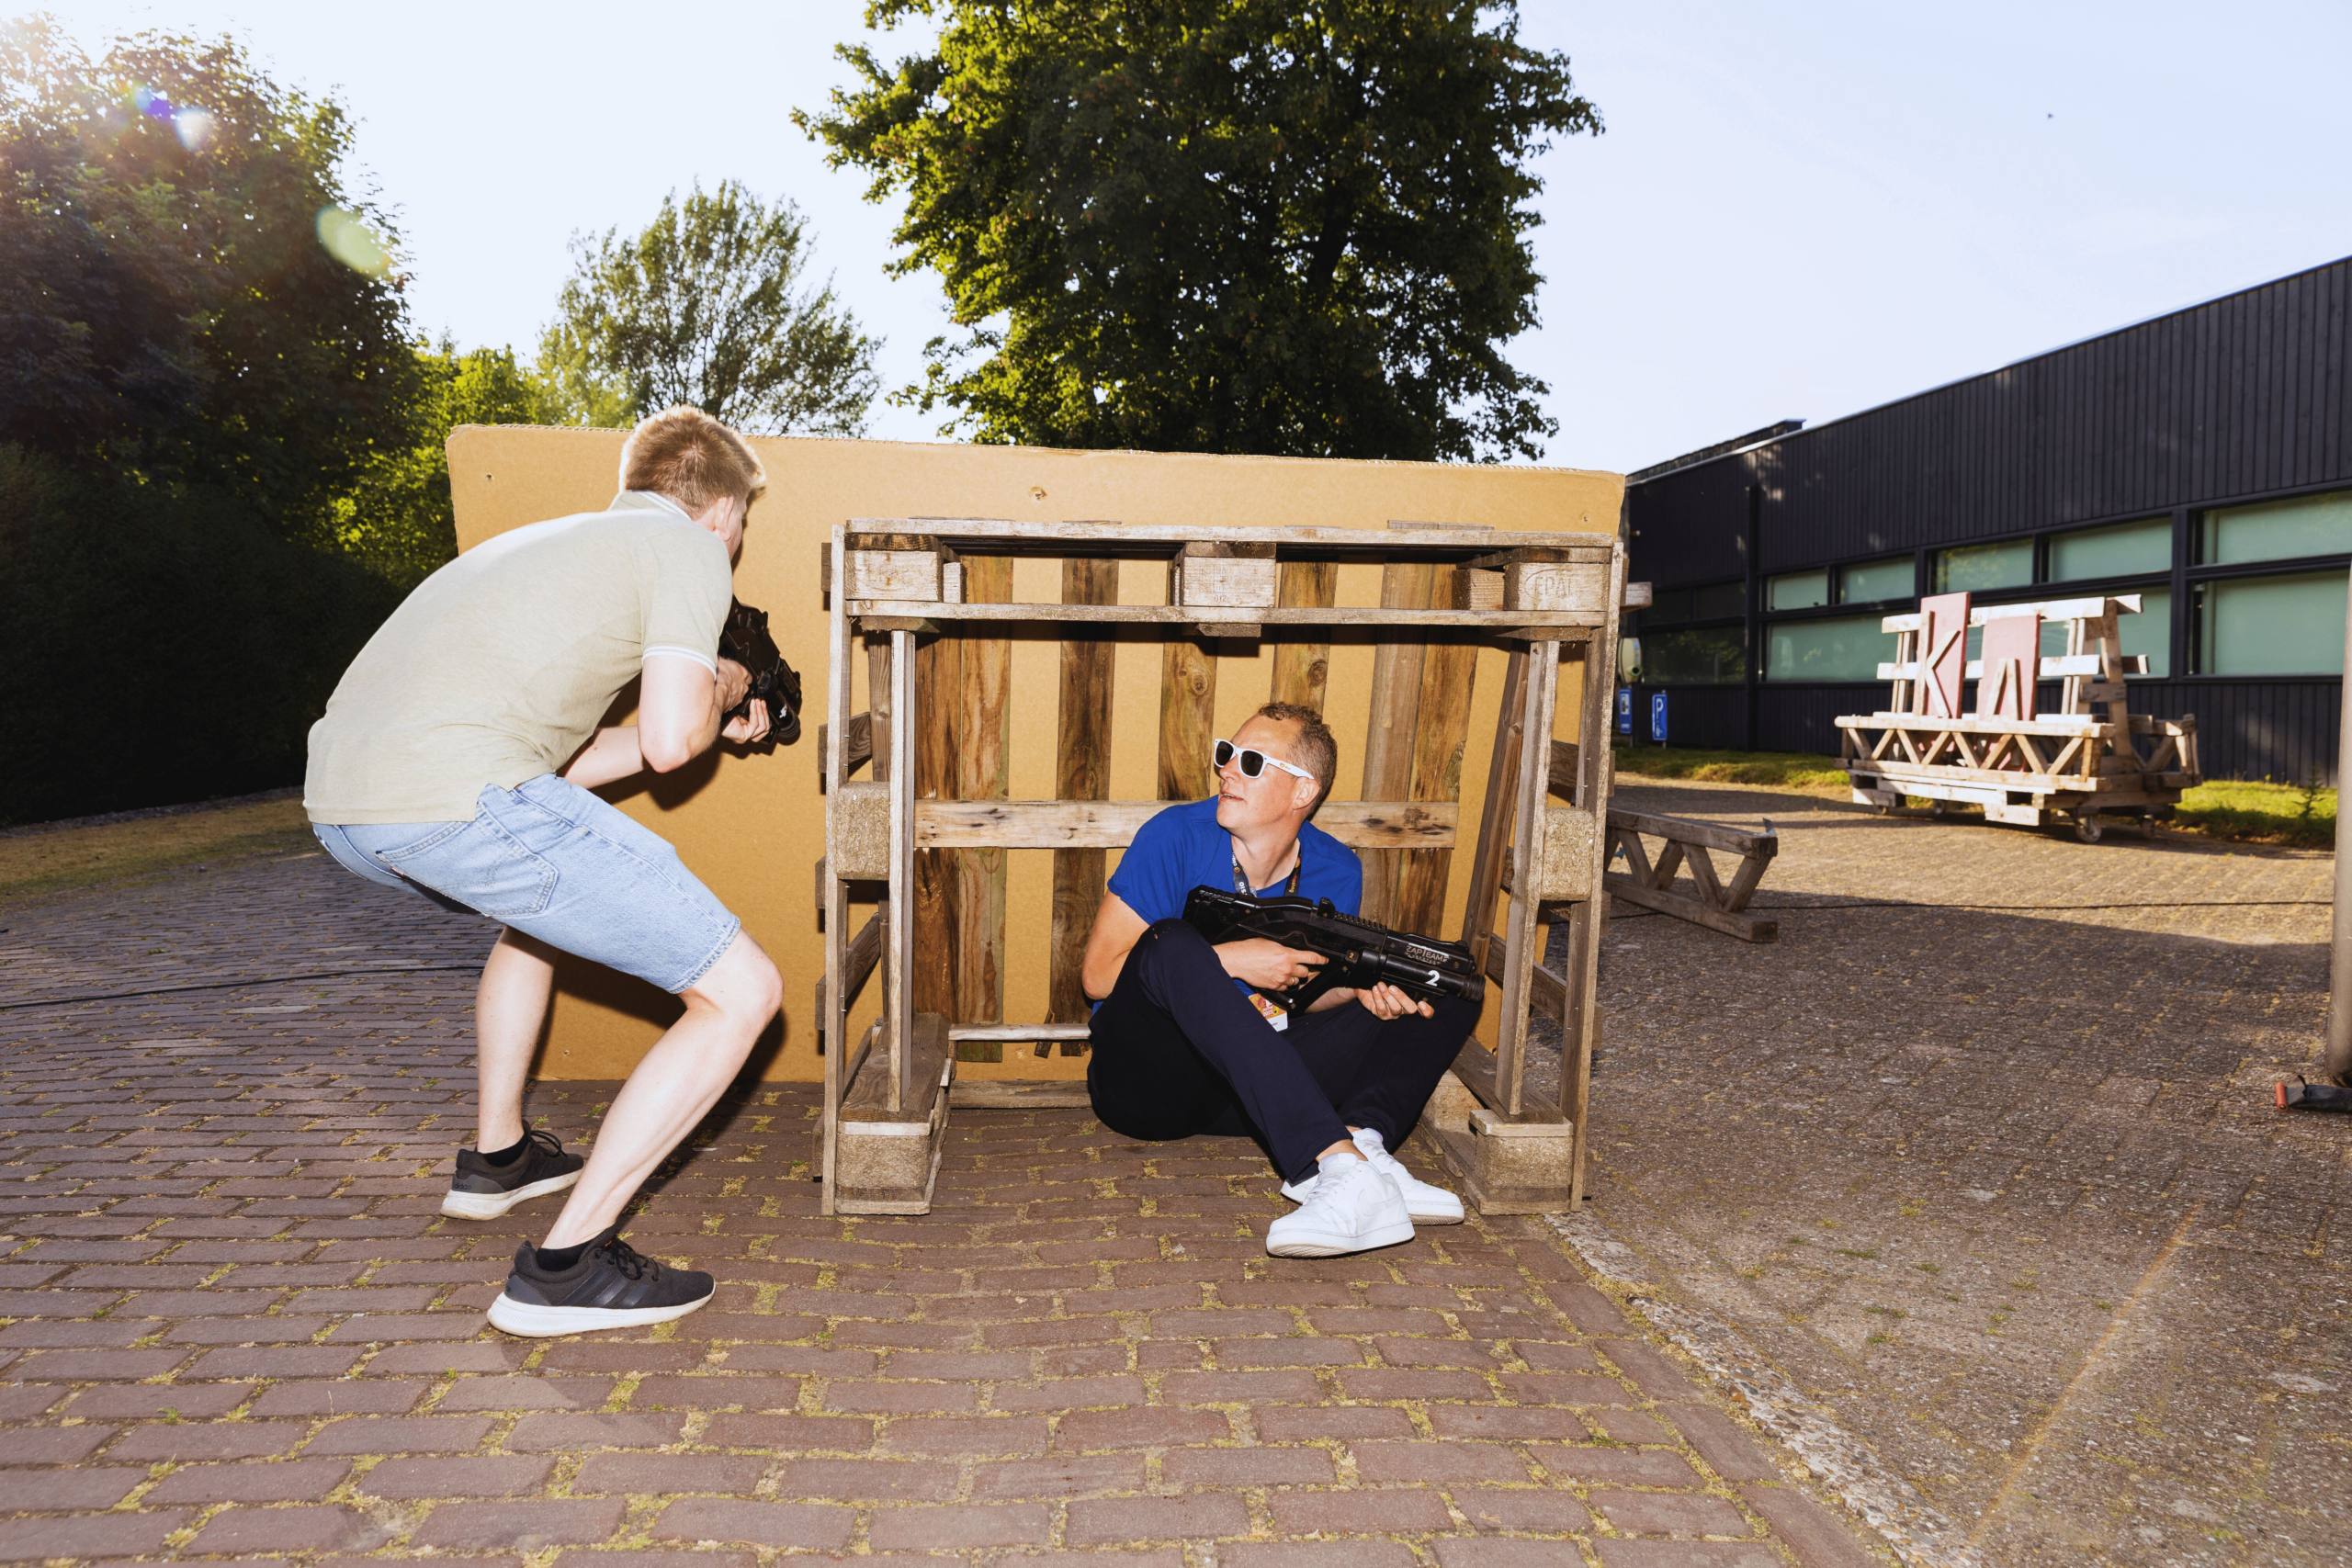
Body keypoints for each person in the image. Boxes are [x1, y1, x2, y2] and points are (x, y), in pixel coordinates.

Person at [305, 406, 784, 1336]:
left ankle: (499, 1158)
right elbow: (671, 742)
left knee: (543, 911)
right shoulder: (689, 548)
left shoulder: (543, 546)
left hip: (350, 809)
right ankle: (566, 1268)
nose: (733, 544)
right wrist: (726, 684)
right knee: (743, 991)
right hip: (459, 796)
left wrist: (703, 722)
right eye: (740, 527)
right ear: (722, 510)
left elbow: (576, 762)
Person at [1080, 702, 1479, 1257]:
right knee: (1171, 940)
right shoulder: (1174, 835)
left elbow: (1304, 998)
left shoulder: (1336, 868)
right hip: (1149, 1086)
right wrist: (1233, 959)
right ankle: (1337, 1163)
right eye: (1227, 754)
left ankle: (1365, 1148)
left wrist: (1358, 990)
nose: (1227, 769)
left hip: (1251, 1094)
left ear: (1302, 792)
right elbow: (1098, 977)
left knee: (1446, 980)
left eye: (1250, 762)